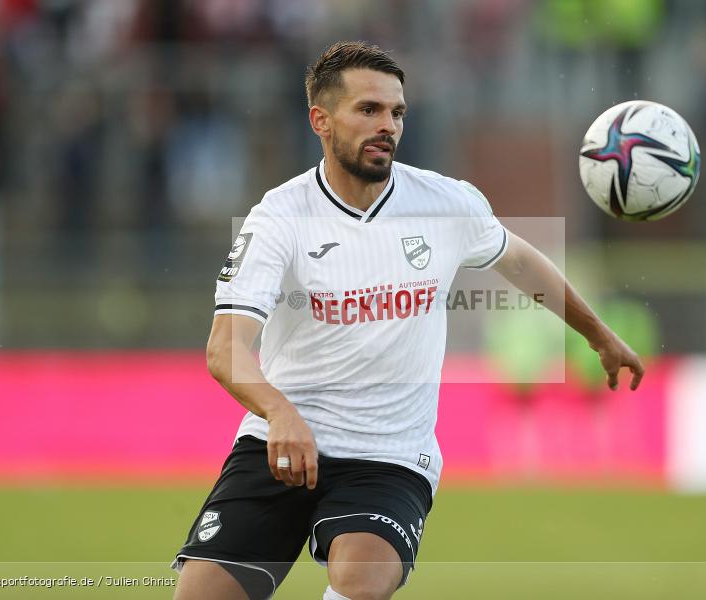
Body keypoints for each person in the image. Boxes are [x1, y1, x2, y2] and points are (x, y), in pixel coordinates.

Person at [171, 41, 644, 600]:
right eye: (368, 110)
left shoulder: (446, 203)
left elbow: (518, 259)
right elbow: (225, 349)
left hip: (388, 456)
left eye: (396, 112)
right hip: (280, 441)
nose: (387, 125)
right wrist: (279, 412)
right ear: (320, 121)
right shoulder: (278, 217)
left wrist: (598, 334)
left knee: (360, 582)